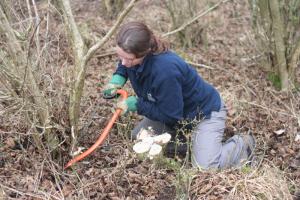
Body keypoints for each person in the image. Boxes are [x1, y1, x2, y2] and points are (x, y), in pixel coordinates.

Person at [102, 21, 255, 169]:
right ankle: (192, 144)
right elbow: (123, 67)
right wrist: (116, 80)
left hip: (202, 114)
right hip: (175, 114)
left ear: (145, 53)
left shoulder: (165, 71)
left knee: (206, 167)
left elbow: (171, 115)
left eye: (128, 59)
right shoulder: (131, 56)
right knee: (139, 138)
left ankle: (242, 144)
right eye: (120, 56)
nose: (123, 63)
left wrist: (137, 104)